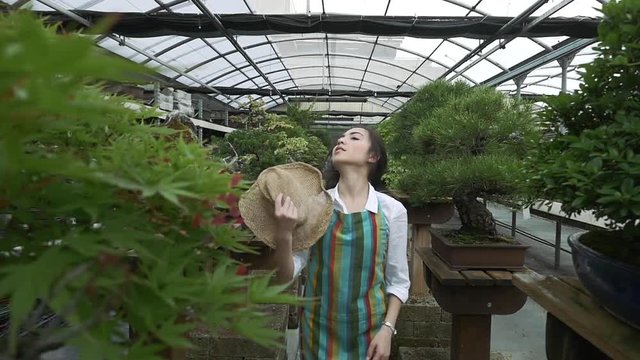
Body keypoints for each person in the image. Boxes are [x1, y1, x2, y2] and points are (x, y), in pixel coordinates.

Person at [272, 127, 410, 360]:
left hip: (371, 330)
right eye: (341, 137)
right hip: (318, 330)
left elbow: (398, 282)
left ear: (372, 156)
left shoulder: (391, 211)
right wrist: (284, 234)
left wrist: (387, 330)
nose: (341, 140)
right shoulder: (315, 206)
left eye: (353, 137)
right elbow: (284, 276)